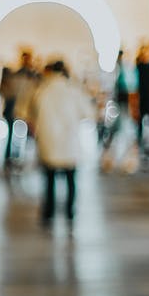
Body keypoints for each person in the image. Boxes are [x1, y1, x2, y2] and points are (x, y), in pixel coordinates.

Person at [32, 60, 95, 227]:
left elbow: (32, 114)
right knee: (70, 179)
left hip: (48, 142)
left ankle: (49, 214)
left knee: (50, 179)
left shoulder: (42, 90)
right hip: (69, 142)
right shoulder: (73, 90)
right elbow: (88, 113)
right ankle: (69, 213)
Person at [0, 49, 40, 167]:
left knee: (28, 134)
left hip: (25, 108)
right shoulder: (18, 75)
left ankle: (20, 156)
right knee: (13, 133)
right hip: (15, 107)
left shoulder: (31, 75)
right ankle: (10, 157)